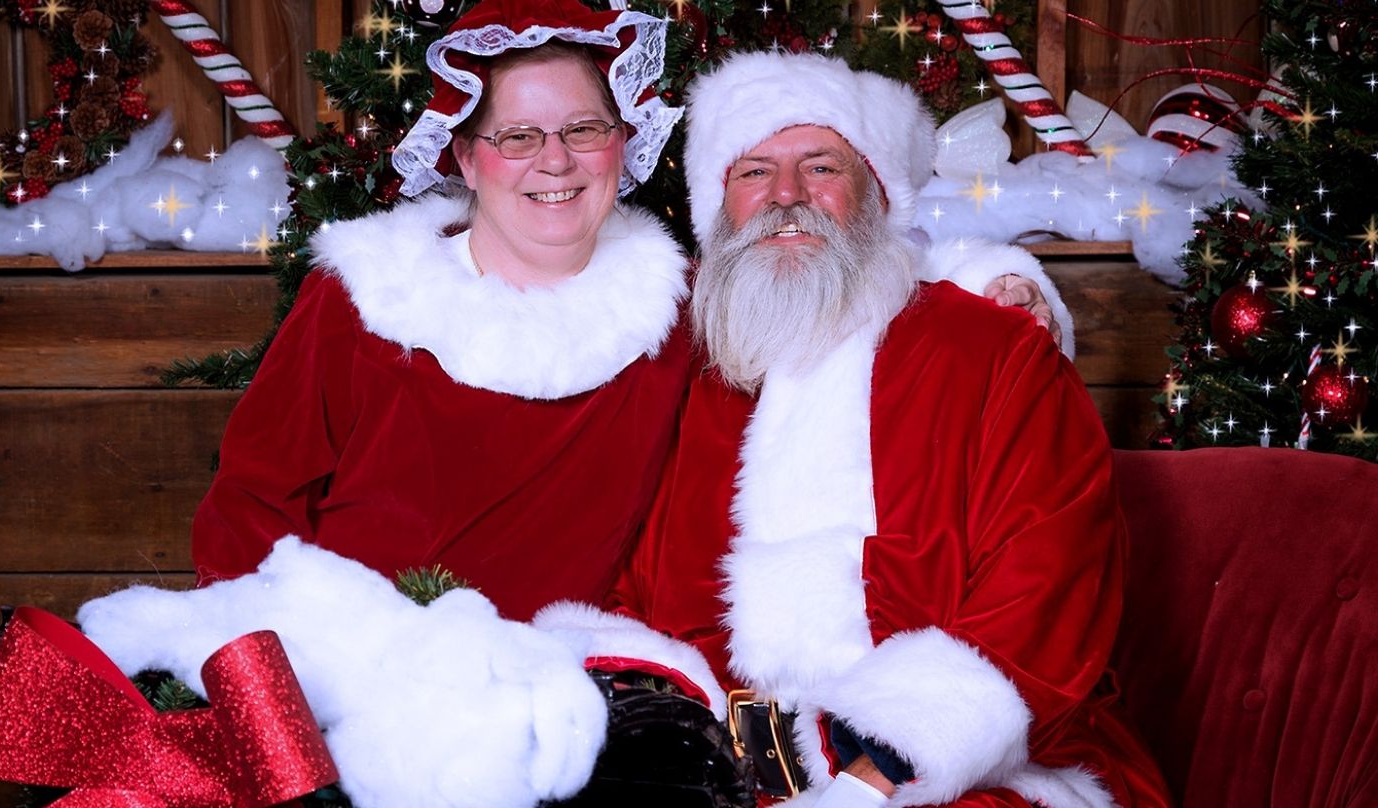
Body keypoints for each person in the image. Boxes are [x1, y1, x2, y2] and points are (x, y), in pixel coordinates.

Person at [190, 0, 1065, 622]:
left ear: (624, 142)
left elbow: (840, 264)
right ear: (465, 154)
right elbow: (249, 512)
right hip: (349, 678)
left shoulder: (677, 308)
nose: (555, 163)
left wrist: (994, 276)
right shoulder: (365, 300)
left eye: (582, 130)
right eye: (517, 136)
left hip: (574, 704)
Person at [535, 52, 1172, 807]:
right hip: (716, 771)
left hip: (970, 770)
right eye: (752, 172)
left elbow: (1044, 600)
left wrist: (870, 784)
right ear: (718, 207)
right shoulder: (670, 373)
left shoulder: (997, 355)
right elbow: (615, 593)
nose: (786, 197)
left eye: (822, 167)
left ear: (877, 193)